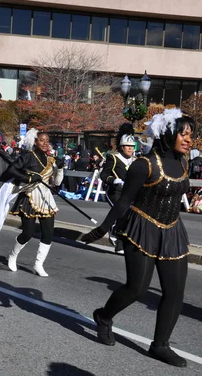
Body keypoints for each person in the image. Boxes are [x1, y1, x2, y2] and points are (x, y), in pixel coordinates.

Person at [82, 109, 194, 368]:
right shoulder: (144, 164)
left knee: (175, 292)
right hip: (142, 228)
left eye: (192, 136)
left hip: (173, 231)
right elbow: (124, 201)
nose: (189, 140)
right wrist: (102, 229)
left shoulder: (183, 162)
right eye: (183, 134)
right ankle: (104, 316)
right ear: (167, 134)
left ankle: (160, 345)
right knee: (137, 288)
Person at [5, 129, 64, 277]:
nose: (45, 143)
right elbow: (11, 171)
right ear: (35, 142)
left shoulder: (51, 160)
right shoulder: (28, 157)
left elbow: (56, 182)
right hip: (30, 196)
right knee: (28, 233)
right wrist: (28, 179)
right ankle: (13, 255)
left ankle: (38, 264)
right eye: (42, 140)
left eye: (47, 141)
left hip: (46, 198)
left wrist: (61, 168)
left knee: (49, 233)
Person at [100, 124, 137, 254]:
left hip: (128, 194)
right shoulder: (113, 158)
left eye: (132, 147)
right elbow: (104, 175)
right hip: (114, 192)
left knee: (131, 216)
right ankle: (118, 241)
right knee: (123, 213)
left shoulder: (136, 160)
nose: (130, 149)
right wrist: (113, 180)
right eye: (128, 146)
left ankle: (119, 235)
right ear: (122, 147)